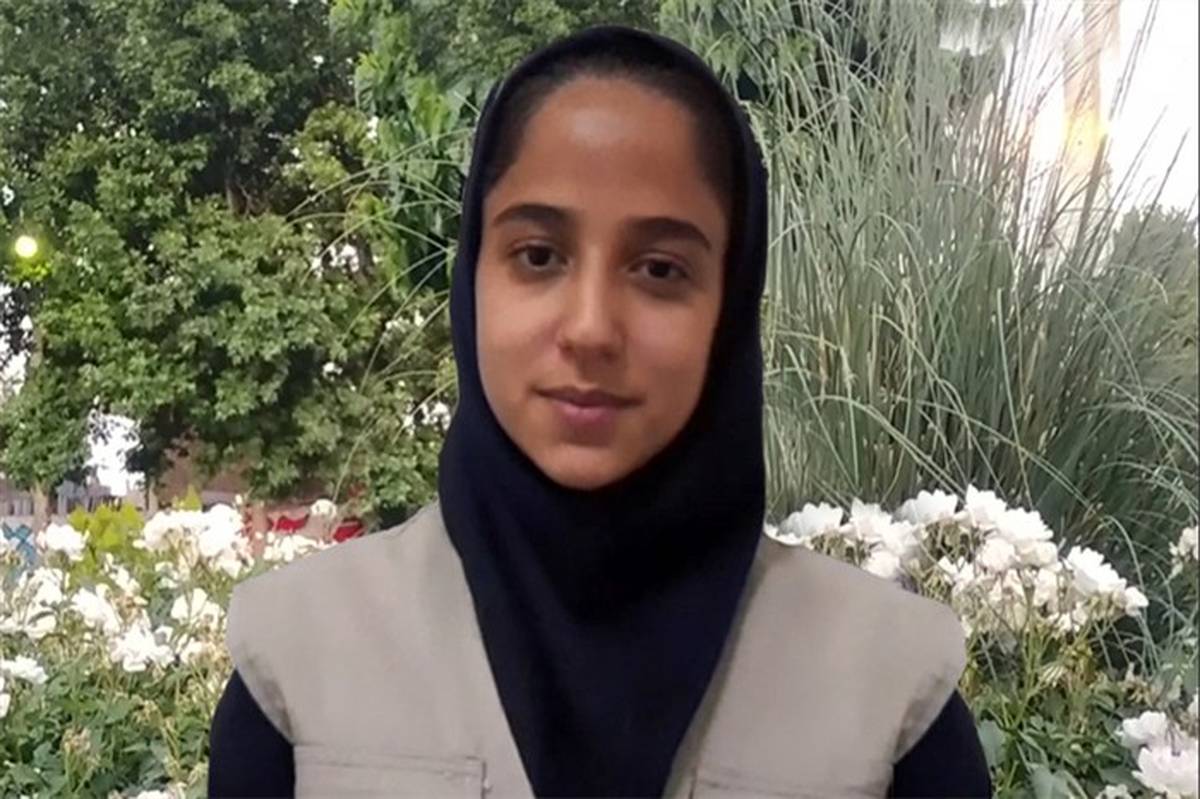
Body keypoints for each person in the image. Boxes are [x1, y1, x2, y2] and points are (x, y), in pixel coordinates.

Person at [208, 25, 991, 798]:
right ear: (474, 275)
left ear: (729, 305)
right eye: (538, 255)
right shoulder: (300, 664)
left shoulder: (890, 699)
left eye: (660, 269)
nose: (589, 329)